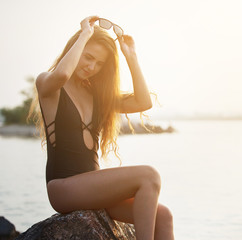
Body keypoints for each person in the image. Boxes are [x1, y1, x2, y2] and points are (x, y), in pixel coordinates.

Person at [28, 16, 174, 240]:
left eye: (99, 64)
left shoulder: (96, 96)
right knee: (149, 175)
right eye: (88, 57)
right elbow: (63, 74)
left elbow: (143, 102)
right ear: (76, 49)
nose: (91, 67)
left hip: (92, 189)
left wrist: (131, 56)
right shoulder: (49, 84)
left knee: (163, 215)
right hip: (63, 188)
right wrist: (85, 33)